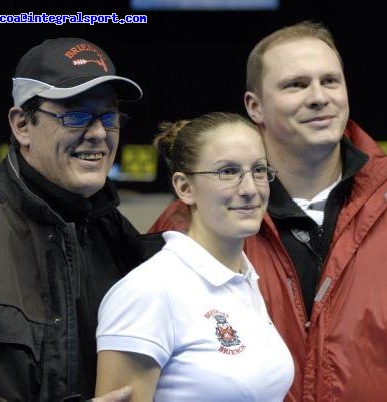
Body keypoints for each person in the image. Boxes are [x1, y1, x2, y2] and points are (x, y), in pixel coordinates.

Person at [150, 21, 387, 401]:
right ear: (254, 107)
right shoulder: (189, 225)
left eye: (330, 81)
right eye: (295, 85)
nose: (318, 97)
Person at [0, 37, 160, 401]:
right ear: (22, 125)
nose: (98, 132)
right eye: (76, 114)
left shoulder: (123, 240)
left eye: (109, 116)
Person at [94, 112, 294, 401]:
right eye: (228, 172)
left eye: (259, 170)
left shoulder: (244, 281)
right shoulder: (149, 291)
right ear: (185, 188)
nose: (251, 189)